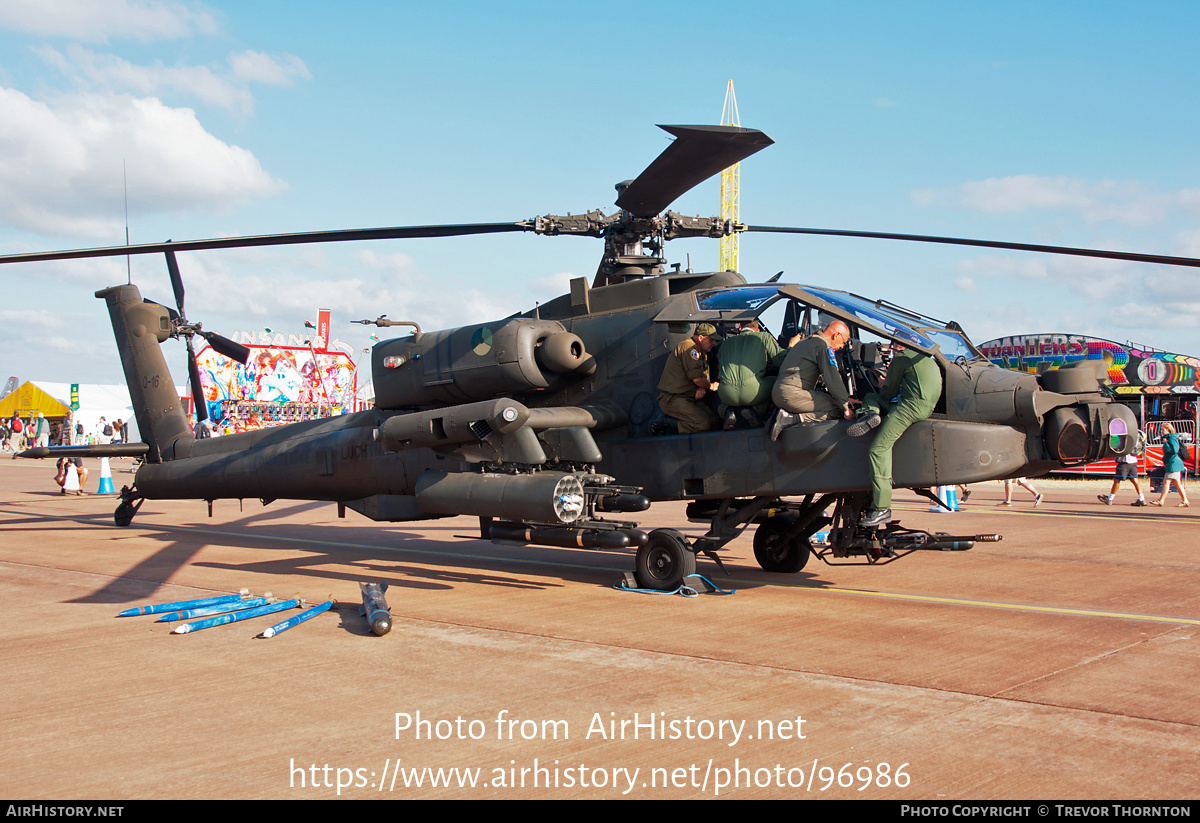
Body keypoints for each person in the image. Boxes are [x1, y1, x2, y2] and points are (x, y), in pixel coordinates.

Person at [850, 344, 943, 527]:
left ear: (899, 344)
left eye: (893, 345)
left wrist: (885, 383)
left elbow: (888, 392)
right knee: (873, 398)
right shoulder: (926, 358)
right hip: (926, 407)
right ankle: (871, 414)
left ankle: (882, 507)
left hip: (909, 408)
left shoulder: (902, 357)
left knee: (878, 449)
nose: (892, 349)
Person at [770, 320, 857, 439]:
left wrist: (845, 398)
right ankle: (789, 419)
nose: (842, 346)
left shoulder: (807, 341)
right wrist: (845, 406)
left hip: (779, 392)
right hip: (793, 394)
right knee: (837, 408)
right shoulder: (823, 346)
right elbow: (832, 379)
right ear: (836, 335)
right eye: (844, 342)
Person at [716, 319, 796, 429]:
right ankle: (756, 411)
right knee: (777, 380)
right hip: (752, 393)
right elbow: (781, 361)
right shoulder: (764, 337)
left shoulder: (724, 344)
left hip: (727, 395)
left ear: (740, 327)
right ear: (758, 330)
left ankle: (727, 410)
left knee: (726, 383)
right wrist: (791, 346)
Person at [656, 323, 721, 434]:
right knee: (702, 424)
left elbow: (701, 376)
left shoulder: (701, 352)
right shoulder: (689, 348)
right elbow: (697, 379)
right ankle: (665, 422)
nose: (714, 343)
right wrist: (710, 386)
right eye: (711, 340)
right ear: (701, 337)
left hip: (688, 397)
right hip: (673, 398)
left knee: (713, 421)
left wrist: (702, 387)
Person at [1099, 427, 1147, 507]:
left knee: (1117, 480)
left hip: (1125, 461)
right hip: (1133, 461)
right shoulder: (1137, 433)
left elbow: (1116, 445)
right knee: (1135, 480)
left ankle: (1110, 498)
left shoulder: (1124, 435)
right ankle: (1141, 499)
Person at [1150, 423, 1190, 507]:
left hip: (1174, 463)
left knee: (1167, 482)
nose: (1161, 431)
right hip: (1171, 463)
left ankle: (1161, 501)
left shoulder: (1172, 438)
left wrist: (1166, 443)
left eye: (1163, 429)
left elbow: (1174, 450)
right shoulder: (1169, 438)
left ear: (1168, 430)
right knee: (1176, 483)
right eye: (1161, 429)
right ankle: (1185, 501)